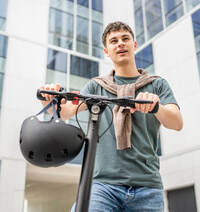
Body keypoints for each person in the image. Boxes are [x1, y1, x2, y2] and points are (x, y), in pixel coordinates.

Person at [40, 21, 183, 212]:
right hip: (102, 186)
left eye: (125, 39)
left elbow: (176, 122)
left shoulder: (157, 85)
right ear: (107, 51)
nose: (120, 43)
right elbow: (65, 111)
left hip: (147, 188)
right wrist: (49, 98)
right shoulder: (96, 86)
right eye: (114, 41)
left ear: (134, 45)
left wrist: (156, 107)